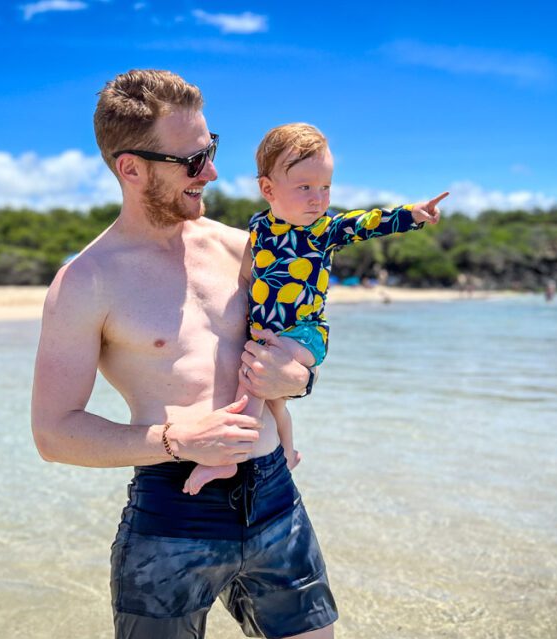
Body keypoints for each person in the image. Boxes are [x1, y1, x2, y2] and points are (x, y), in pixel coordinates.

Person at [30, 70, 341, 639]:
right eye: (194, 159)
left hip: (275, 497)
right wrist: (176, 441)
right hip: (175, 513)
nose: (212, 173)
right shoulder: (86, 283)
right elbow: (54, 433)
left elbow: (303, 336)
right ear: (132, 168)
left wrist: (299, 379)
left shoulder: (242, 246)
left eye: (212, 149)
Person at [183, 123, 447, 495]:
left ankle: (227, 460)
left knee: (254, 378)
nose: (317, 199)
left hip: (303, 334)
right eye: (305, 187)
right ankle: (289, 452)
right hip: (265, 330)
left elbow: (368, 222)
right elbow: (245, 277)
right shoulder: (259, 226)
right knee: (273, 404)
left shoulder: (325, 229)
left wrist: (413, 214)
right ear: (268, 190)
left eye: (325, 188)